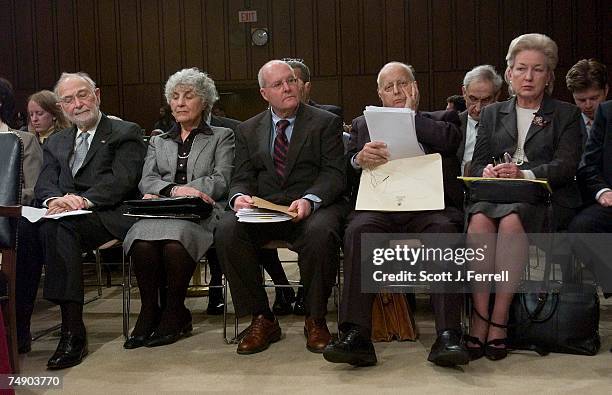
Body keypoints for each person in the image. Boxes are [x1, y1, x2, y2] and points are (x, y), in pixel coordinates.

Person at [322, 61, 469, 368]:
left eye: (403, 84)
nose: (397, 91)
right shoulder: (363, 124)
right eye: (388, 87)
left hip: (430, 207)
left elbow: (451, 143)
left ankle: (448, 335)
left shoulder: (443, 118)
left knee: (446, 232)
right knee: (357, 231)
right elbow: (346, 170)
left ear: (415, 87)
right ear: (379, 93)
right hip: (381, 206)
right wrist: (359, 159)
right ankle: (355, 335)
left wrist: (410, 118)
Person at [216, 60, 347, 355]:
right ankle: (262, 317)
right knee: (226, 230)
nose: (288, 88)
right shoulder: (248, 129)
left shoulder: (325, 122)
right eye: (278, 84)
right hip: (266, 208)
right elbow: (241, 178)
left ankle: (315, 318)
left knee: (321, 232)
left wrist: (310, 200)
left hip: (311, 206)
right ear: (264, 93)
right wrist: (238, 196)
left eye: (291, 81)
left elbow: (334, 174)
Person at [465, 33, 582, 361]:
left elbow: (566, 165)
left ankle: (498, 320)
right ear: (510, 74)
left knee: (512, 222)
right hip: (496, 194)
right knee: (478, 222)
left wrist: (525, 173)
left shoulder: (566, 114)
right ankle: (479, 316)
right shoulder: (491, 114)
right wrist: (486, 171)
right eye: (521, 69)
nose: (528, 77)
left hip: (541, 198)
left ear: (549, 76)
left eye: (538, 70)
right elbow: (477, 162)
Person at [34, 72, 146, 369]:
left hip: (110, 214)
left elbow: (123, 181)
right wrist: (53, 200)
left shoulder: (125, 132)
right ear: (61, 107)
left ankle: (72, 330)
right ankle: (18, 330)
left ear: (96, 95)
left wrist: (82, 200)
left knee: (59, 227)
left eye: (82, 95)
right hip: (66, 214)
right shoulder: (56, 142)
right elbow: (44, 184)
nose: (77, 104)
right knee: (23, 229)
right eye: (68, 100)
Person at [122, 68, 234, 348]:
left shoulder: (223, 135)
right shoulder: (158, 140)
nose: (180, 103)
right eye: (174, 97)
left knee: (174, 242)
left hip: (202, 212)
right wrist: (174, 191)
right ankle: (149, 311)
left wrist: (192, 191)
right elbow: (147, 180)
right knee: (141, 241)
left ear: (205, 102)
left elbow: (221, 180)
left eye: (188, 96)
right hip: (161, 209)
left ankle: (175, 311)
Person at [0, 78, 44, 354]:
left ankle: (17, 327)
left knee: (27, 230)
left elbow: (33, 189)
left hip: (10, 217)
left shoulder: (22, 140)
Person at [457, 65, 503, 175]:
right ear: (464, 92)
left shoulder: (507, 124)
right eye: (473, 99)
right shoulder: (452, 124)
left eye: (486, 100)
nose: (478, 108)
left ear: (497, 96)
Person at [565, 59, 608, 139]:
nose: (588, 106)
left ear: (606, 90)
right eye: (582, 100)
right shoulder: (563, 126)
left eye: (594, 98)